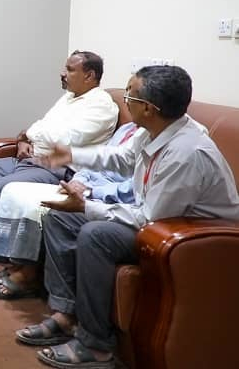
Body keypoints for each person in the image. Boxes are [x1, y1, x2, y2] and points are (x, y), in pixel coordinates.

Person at [17, 66, 239, 369]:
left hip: (196, 239)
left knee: (96, 235)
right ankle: (65, 313)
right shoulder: (156, 131)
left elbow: (149, 218)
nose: (126, 101)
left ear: (148, 108)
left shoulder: (186, 153)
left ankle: (96, 346)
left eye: (129, 96)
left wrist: (86, 206)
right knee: (60, 218)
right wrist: (72, 155)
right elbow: (121, 159)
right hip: (161, 222)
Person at [0, 51, 119, 255]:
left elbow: (64, 140)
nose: (62, 73)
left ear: (89, 76)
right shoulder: (69, 97)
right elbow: (42, 126)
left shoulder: (101, 105)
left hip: (56, 170)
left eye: (69, 69)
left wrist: (29, 134)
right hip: (31, 160)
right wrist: (25, 140)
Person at [0, 122, 140, 299]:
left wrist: (91, 191)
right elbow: (95, 164)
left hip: (106, 198)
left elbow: (131, 188)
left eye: (131, 103)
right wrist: (78, 180)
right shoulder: (127, 129)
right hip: (86, 186)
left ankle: (27, 275)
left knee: (41, 206)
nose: (128, 106)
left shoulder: (151, 141)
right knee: (14, 190)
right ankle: (18, 265)